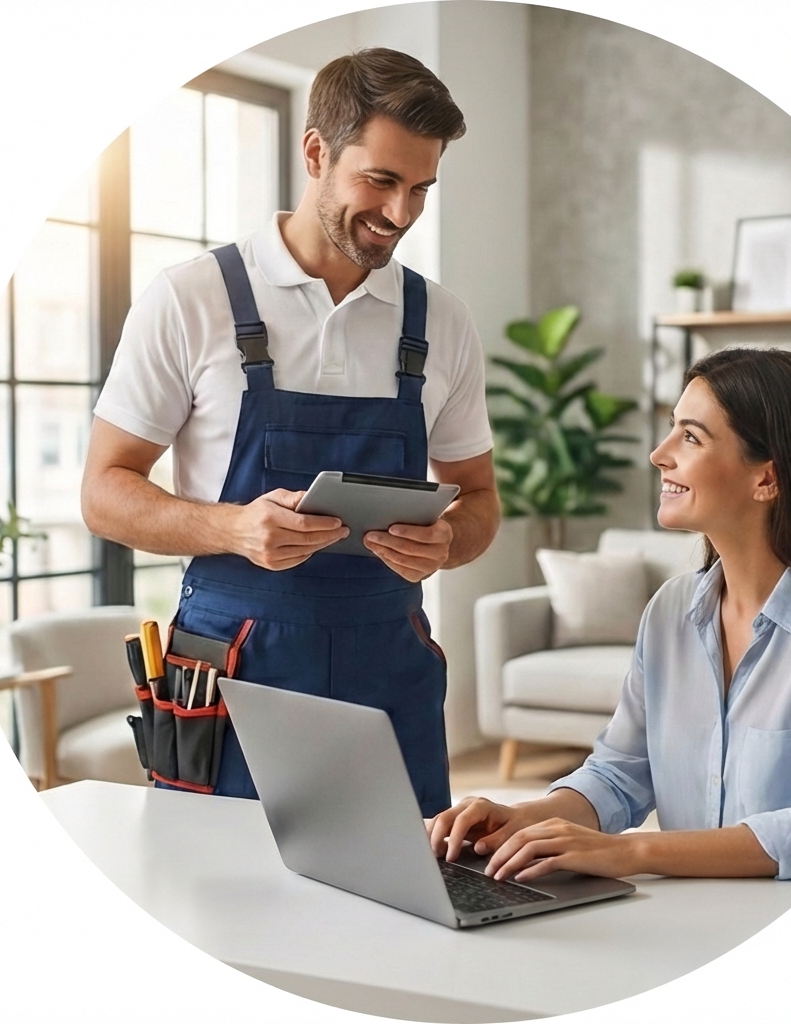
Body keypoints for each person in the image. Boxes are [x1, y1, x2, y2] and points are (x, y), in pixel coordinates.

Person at [81, 49, 500, 814]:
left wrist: (450, 542)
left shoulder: (441, 320)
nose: (400, 214)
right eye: (380, 180)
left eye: (421, 189)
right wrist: (235, 528)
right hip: (232, 670)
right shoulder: (190, 298)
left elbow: (479, 501)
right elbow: (105, 495)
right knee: (225, 906)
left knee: (408, 908)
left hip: (390, 664)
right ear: (315, 152)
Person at [428, 347, 791, 881]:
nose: (660, 454)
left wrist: (630, 853)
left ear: (768, 479)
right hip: (686, 915)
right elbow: (619, 775)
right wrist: (519, 818)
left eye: (691, 436)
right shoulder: (670, 610)